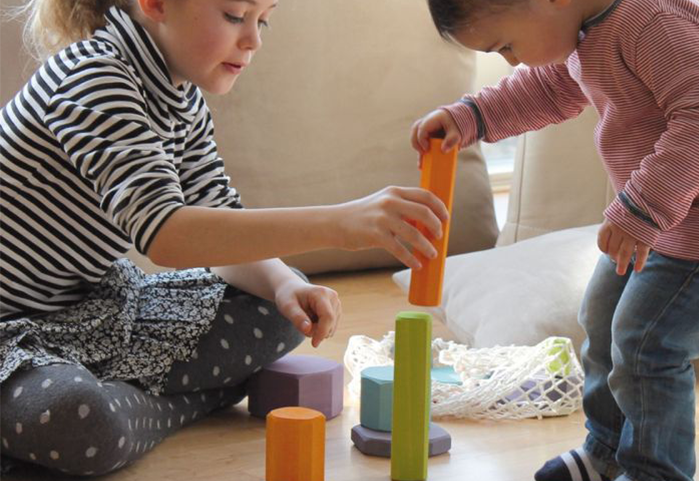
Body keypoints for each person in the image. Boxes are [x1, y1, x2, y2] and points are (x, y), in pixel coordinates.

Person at [0, 0, 448, 476]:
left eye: (263, 20)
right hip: (10, 329)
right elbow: (169, 236)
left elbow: (218, 220)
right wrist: (339, 223)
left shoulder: (180, 96)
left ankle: (116, 404)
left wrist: (283, 286)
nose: (254, 40)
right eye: (235, 16)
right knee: (78, 419)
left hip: (86, 315)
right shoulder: (94, 78)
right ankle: (180, 400)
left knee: (280, 307)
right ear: (156, 4)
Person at [412, 0, 699, 480]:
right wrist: (471, 116)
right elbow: (548, 88)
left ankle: (656, 471)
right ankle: (608, 451)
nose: (512, 60)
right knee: (601, 321)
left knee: (646, 345)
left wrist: (641, 207)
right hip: (661, 226)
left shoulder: (655, 25)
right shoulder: (582, 28)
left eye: (507, 45)